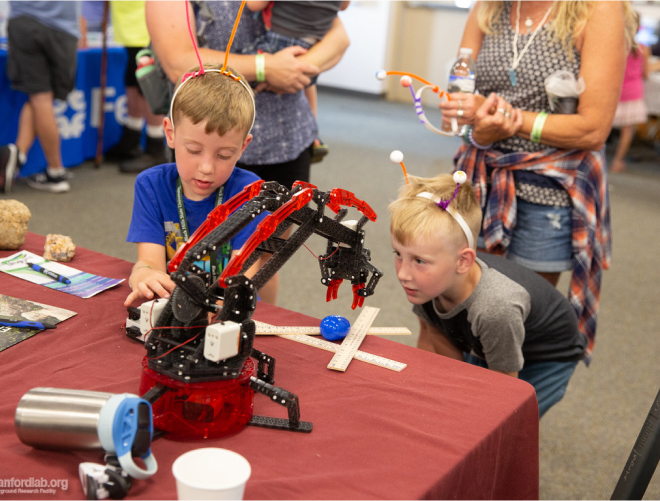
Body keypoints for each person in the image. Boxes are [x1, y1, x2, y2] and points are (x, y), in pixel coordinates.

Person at [437, 1, 637, 363]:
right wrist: (466, 117)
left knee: (513, 323)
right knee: (453, 310)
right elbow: (462, 106)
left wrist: (511, 119)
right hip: (482, 179)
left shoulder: (596, 10)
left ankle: (498, 413)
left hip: (550, 192)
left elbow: (593, 128)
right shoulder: (489, 8)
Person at [389, 173, 587, 418]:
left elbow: (504, 387)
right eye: (398, 254)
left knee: (507, 421)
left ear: (463, 262)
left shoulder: (496, 307)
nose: (403, 274)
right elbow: (434, 335)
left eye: (419, 260)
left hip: (546, 359)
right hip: (488, 340)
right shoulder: (428, 282)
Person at [146, 1, 349, 192]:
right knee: (208, 226)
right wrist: (266, 68)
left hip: (288, 135)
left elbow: (339, 37)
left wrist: (293, 69)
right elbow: (178, 62)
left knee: (279, 225)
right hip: (209, 141)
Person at [124, 64, 275, 306]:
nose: (207, 167)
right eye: (194, 150)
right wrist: (142, 274)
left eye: (224, 155)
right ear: (170, 134)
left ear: (243, 147)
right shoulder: (151, 185)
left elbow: (243, 274)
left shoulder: (251, 193)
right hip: (176, 305)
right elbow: (149, 261)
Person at [243, 1, 350, 164]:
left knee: (245, 79)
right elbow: (343, 6)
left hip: (281, 40)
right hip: (314, 41)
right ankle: (313, 133)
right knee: (306, 81)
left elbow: (254, 5)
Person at [0, 1, 81, 194]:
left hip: (28, 23)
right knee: (40, 98)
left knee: (40, 98)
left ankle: (55, 172)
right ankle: (18, 155)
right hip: (65, 29)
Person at [105, 0, 166, 174]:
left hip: (147, 23)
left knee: (148, 85)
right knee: (132, 81)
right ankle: (131, 138)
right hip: (131, 25)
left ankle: (155, 146)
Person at [611, 11, 649, 173]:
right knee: (628, 130)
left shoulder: (616, 45)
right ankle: (617, 161)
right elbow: (645, 73)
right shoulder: (642, 49)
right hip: (632, 93)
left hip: (615, 91)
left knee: (605, 126)